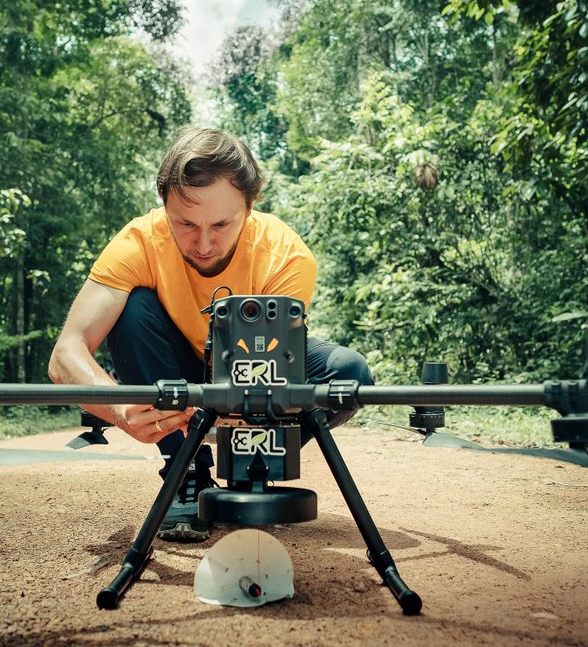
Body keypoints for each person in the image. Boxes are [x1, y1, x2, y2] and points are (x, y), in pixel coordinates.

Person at [48, 127, 373, 542]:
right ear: (164, 205)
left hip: (257, 362)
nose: (203, 243)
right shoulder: (139, 242)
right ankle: (189, 472)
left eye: (221, 223)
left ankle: (250, 467)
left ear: (250, 208)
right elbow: (65, 356)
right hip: (174, 364)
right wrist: (122, 409)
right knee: (131, 308)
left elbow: (266, 368)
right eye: (185, 223)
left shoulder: (286, 256)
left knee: (350, 374)